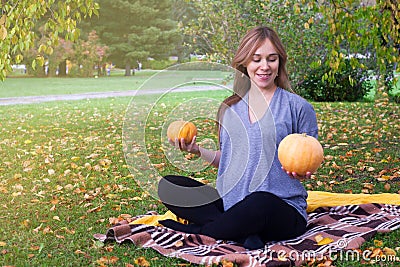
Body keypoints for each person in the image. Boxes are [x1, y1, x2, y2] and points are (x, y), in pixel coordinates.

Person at [157, 26, 319, 250]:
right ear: (245, 64)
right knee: (169, 186)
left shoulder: (298, 107)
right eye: (256, 60)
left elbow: (309, 159)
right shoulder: (230, 108)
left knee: (260, 201)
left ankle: (203, 231)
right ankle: (243, 233)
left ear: (280, 62)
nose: (264, 66)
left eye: (271, 59)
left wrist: (303, 173)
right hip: (232, 204)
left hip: (279, 208)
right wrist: (198, 152)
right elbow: (229, 160)